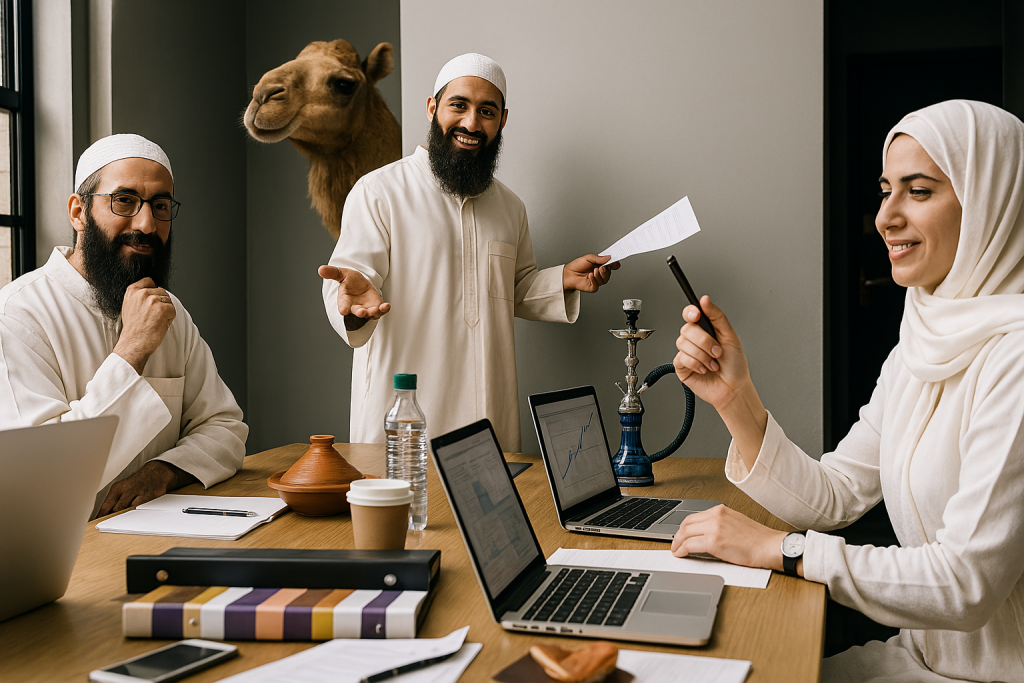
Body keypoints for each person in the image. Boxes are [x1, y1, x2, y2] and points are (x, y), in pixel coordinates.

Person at [669, 99, 1024, 681]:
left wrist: (784, 550)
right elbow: (833, 496)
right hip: (918, 661)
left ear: (990, 205)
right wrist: (736, 398)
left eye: (920, 190)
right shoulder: (919, 345)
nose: (886, 216)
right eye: (886, 189)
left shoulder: (1015, 358)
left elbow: (967, 583)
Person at [320, 53, 618, 449]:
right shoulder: (379, 193)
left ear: (503, 121)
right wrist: (352, 305)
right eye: (458, 105)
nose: (471, 123)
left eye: (487, 111)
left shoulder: (510, 207)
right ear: (432, 108)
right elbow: (350, 284)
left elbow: (511, 288)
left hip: (488, 418)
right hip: (402, 423)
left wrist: (562, 278)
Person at [0, 134, 247, 518]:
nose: (146, 224)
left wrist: (163, 471)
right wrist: (132, 349)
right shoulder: (18, 315)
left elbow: (224, 428)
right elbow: (43, 477)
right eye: (124, 201)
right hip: (70, 559)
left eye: (160, 205)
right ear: (78, 212)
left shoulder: (170, 312)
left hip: (167, 538)